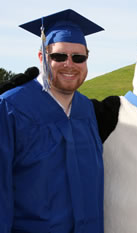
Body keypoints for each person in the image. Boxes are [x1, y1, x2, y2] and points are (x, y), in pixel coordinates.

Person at [0, 9, 104, 232]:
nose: (69, 64)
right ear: (42, 57)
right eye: (58, 56)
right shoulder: (9, 108)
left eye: (78, 57)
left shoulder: (86, 109)